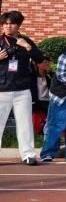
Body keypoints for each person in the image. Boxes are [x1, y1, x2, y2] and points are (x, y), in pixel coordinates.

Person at [0, 11, 45, 166]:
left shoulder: (25, 40)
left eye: (12, 23)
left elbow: (40, 59)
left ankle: (28, 155)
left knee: (25, 123)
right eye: (5, 24)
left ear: (18, 25)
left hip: (22, 89)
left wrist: (27, 47)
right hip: (2, 89)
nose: (8, 26)